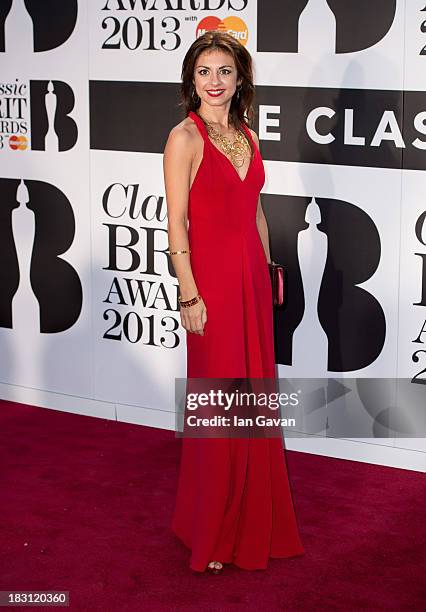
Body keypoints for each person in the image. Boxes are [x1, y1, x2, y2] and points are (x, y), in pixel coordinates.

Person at [163, 31, 304, 574]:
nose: (215, 81)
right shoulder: (185, 138)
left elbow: (257, 212)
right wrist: (188, 292)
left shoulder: (245, 133)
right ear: (191, 80)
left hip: (249, 279)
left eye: (225, 70)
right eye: (205, 71)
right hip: (212, 286)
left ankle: (250, 521)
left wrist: (268, 273)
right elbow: (176, 222)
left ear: (240, 77)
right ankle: (213, 531)